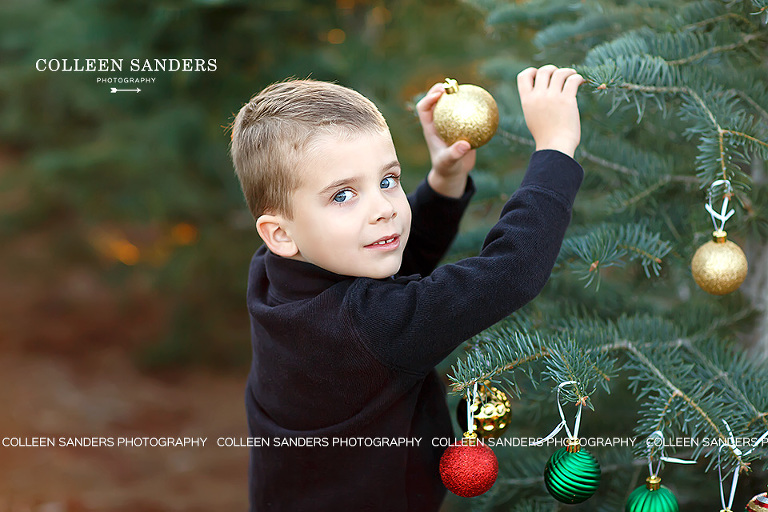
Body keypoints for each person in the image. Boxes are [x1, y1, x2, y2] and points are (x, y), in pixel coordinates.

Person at [230, 65, 585, 511]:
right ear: (280, 233)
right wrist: (555, 149)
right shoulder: (368, 325)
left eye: (387, 180)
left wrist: (444, 181)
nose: (384, 209)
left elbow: (388, 264)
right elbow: (511, 272)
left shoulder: (273, 272)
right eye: (343, 195)